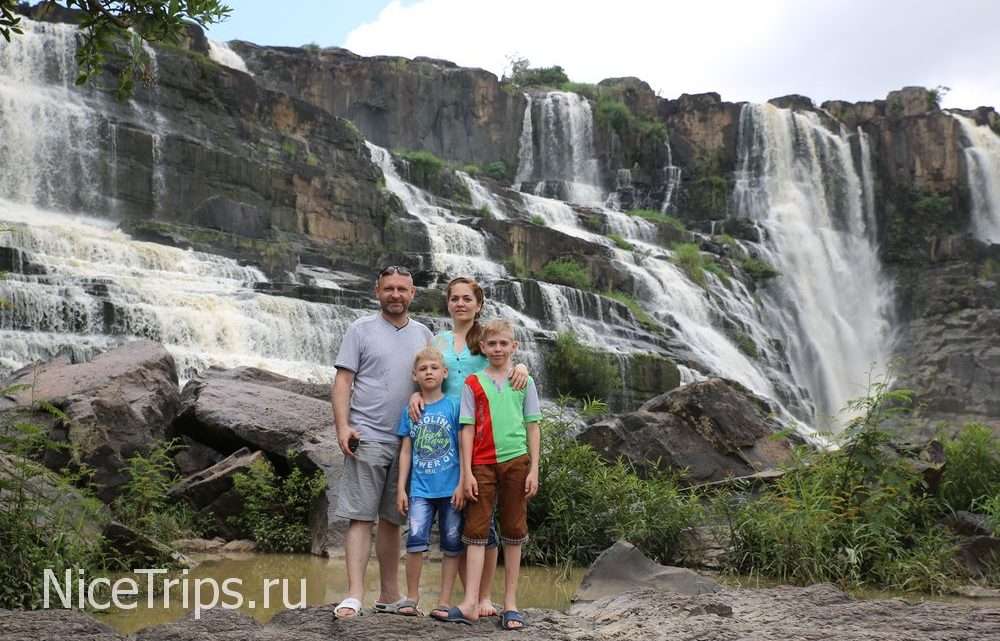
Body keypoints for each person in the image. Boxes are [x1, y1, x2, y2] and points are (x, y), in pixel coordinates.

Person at [408, 276, 528, 619]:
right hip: (445, 433)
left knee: (483, 519)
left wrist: (521, 365)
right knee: (462, 518)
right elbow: (426, 368)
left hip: (482, 438)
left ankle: (484, 597)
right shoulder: (439, 339)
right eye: (455, 298)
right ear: (448, 303)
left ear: (478, 304)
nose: (460, 304)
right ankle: (466, 598)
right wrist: (417, 393)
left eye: (467, 299)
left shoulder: (484, 339)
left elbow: (503, 363)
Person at [331, 266, 432, 619]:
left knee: (392, 520)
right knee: (360, 518)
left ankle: (390, 595)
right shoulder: (360, 330)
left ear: (412, 293)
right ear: (377, 292)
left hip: (408, 441)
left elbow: (432, 383)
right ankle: (354, 595)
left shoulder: (425, 334)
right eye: (389, 289)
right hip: (367, 435)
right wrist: (343, 426)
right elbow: (343, 381)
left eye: (402, 289)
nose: (395, 295)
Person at [440, 319, 541, 630]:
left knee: (513, 529)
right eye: (492, 344)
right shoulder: (473, 382)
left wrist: (534, 468)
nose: (498, 349)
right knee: (476, 529)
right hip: (481, 463)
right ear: (482, 348)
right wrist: (467, 471)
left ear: (514, 347)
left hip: (515, 461)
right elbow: (466, 428)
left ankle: (510, 603)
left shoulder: (525, 381)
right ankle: (470, 602)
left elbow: (533, 426)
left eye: (503, 344)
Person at [395, 346, 464, 618]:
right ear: (415, 376)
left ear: (444, 372)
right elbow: (406, 451)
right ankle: (412, 598)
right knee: (414, 542)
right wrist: (401, 487)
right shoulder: (411, 410)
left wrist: (463, 481)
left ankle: (444, 602)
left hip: (451, 489)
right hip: (420, 490)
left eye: (434, 368)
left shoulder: (454, 405)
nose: (429, 372)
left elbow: (462, 445)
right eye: (423, 369)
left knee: (451, 544)